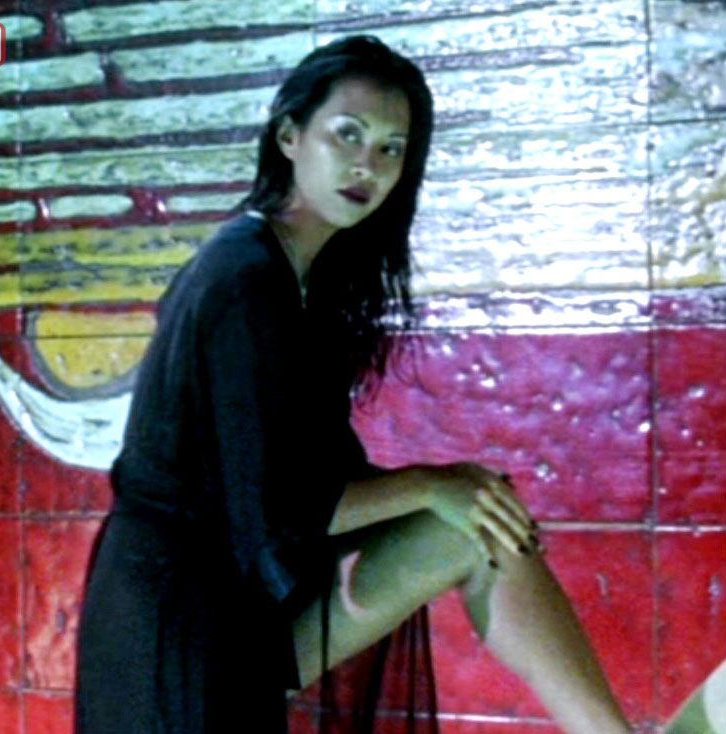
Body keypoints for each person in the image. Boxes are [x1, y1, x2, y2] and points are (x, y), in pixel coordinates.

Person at [75, 34, 633, 734]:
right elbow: (279, 508)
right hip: (175, 625)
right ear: (289, 136)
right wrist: (433, 484)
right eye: (348, 134)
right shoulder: (244, 277)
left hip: (243, 602)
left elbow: (302, 493)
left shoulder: (298, 278)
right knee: (461, 505)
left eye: (391, 148)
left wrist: (453, 492)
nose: (367, 164)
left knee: (478, 523)